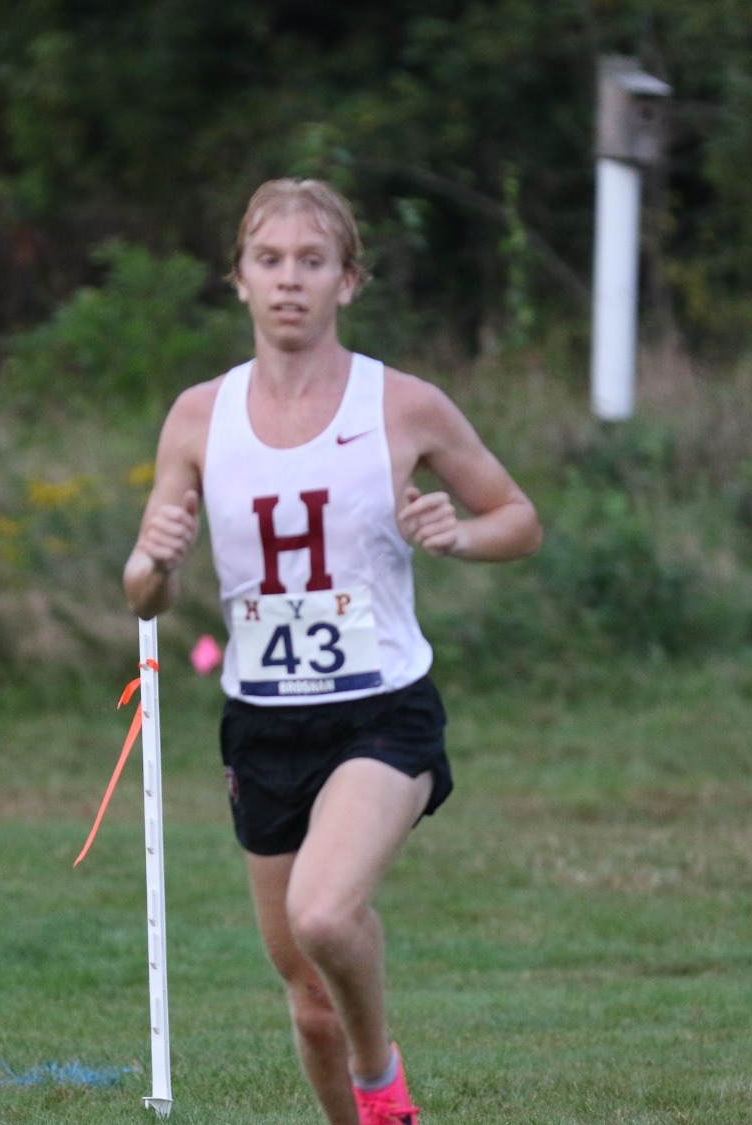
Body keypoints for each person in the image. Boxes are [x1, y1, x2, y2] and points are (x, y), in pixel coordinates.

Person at [124, 179, 541, 1125]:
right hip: (263, 726)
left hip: (382, 713)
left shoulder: (403, 404)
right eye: (269, 261)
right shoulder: (198, 417)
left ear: (347, 280)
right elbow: (144, 594)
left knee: (323, 913)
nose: (289, 281)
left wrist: (457, 535)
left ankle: (381, 1084)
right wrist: (152, 561)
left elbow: (519, 518)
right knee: (307, 994)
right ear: (238, 280)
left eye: (312, 262)